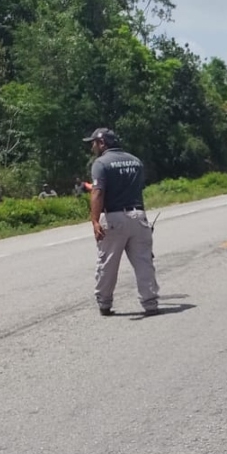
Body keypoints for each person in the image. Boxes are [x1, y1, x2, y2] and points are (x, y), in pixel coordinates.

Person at [83, 127, 160, 317]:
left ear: (102, 143)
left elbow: (98, 192)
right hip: (138, 216)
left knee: (108, 263)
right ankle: (150, 302)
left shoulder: (100, 163)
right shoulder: (136, 161)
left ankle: (104, 303)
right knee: (144, 262)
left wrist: (94, 221)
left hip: (114, 218)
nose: (92, 146)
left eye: (94, 142)